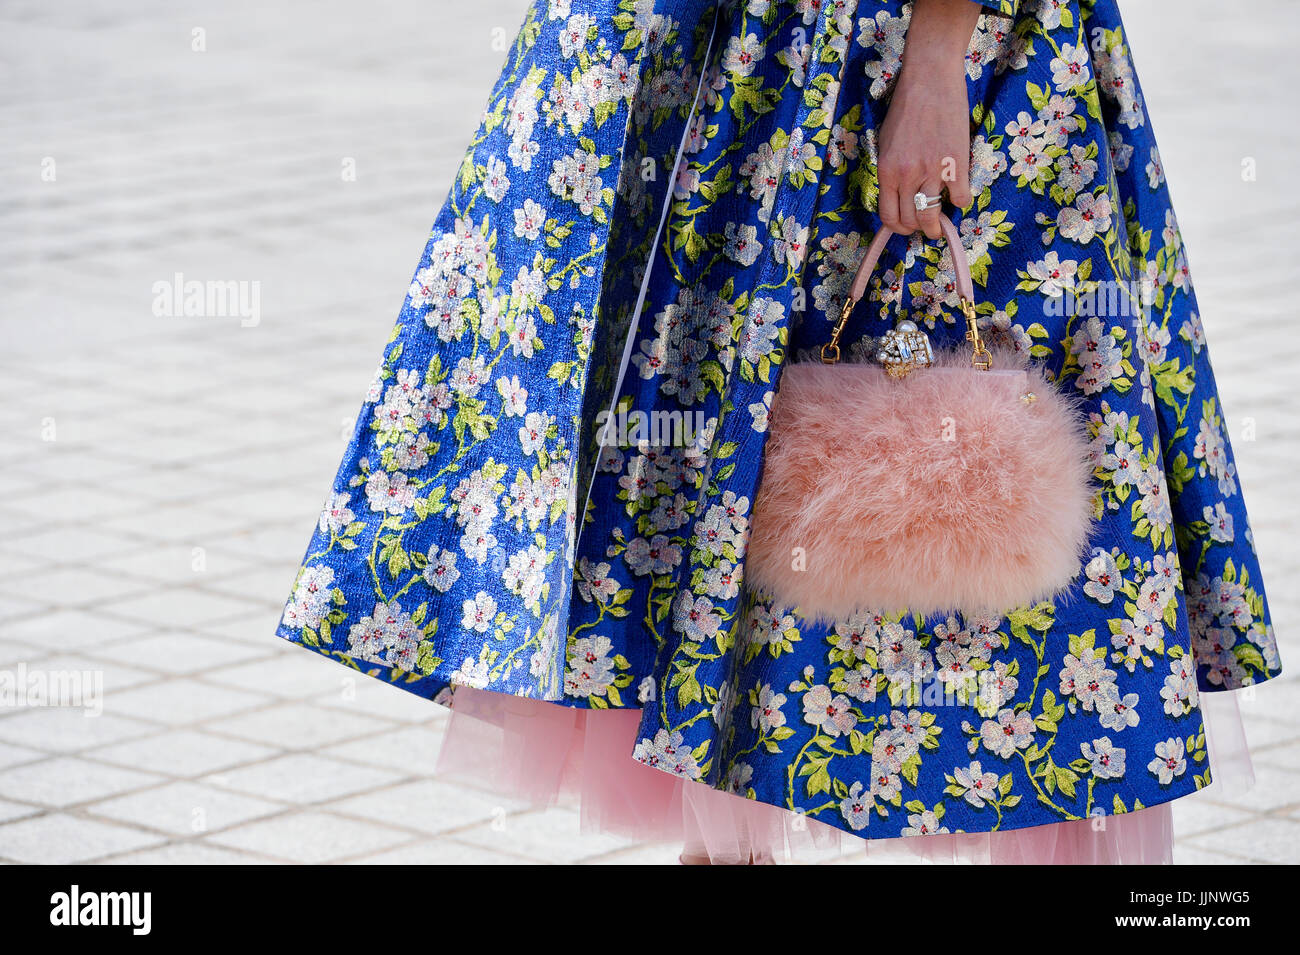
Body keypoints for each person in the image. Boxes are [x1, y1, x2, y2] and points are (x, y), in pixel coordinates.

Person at [277, 0, 1280, 864]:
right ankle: (730, 846)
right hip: (693, 56)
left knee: (963, 469)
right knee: (695, 465)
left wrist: (938, 50)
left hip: (886, 47)